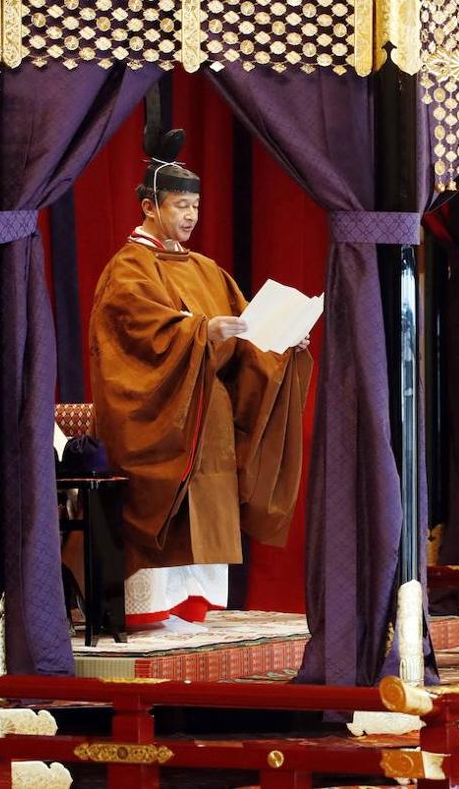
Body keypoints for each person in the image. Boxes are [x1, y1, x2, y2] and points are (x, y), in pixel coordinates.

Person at [89, 128, 313, 626]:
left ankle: (195, 605)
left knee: (210, 508)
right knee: (167, 508)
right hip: (163, 418)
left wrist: (283, 345)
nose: (190, 216)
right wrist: (197, 332)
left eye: (194, 205)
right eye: (178, 205)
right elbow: (135, 335)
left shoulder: (208, 270)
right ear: (149, 206)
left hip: (209, 415)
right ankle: (149, 610)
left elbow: (246, 336)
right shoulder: (128, 269)